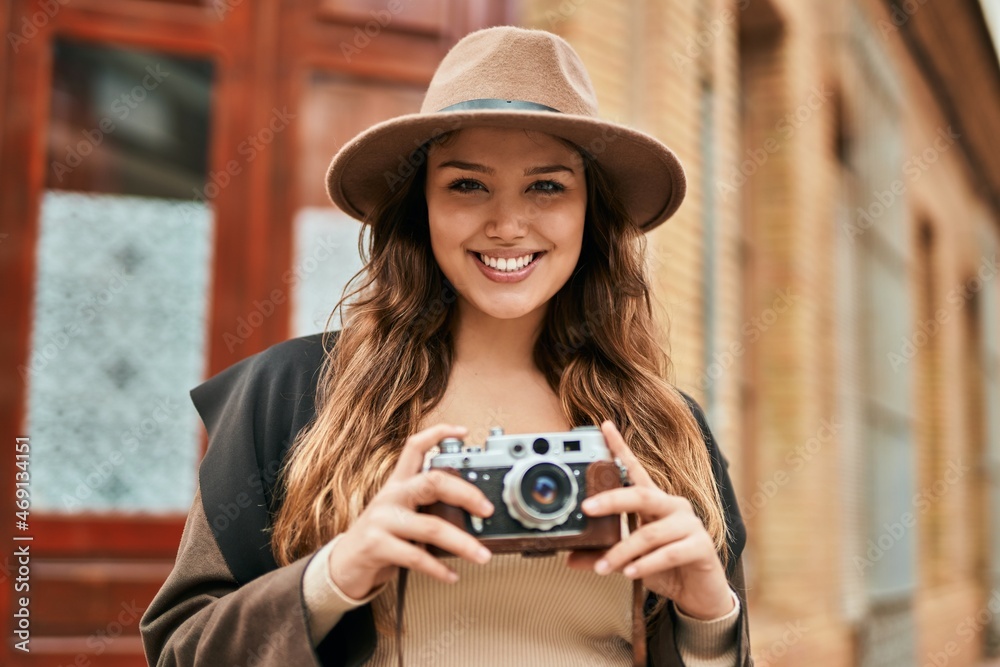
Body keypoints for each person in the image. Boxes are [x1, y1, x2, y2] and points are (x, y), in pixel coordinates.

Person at [141, 26, 752, 667]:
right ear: (421, 205)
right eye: (467, 184)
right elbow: (182, 651)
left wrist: (709, 623)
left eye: (547, 186)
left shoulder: (668, 427)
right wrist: (335, 576)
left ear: (588, 212)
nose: (508, 225)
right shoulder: (291, 395)